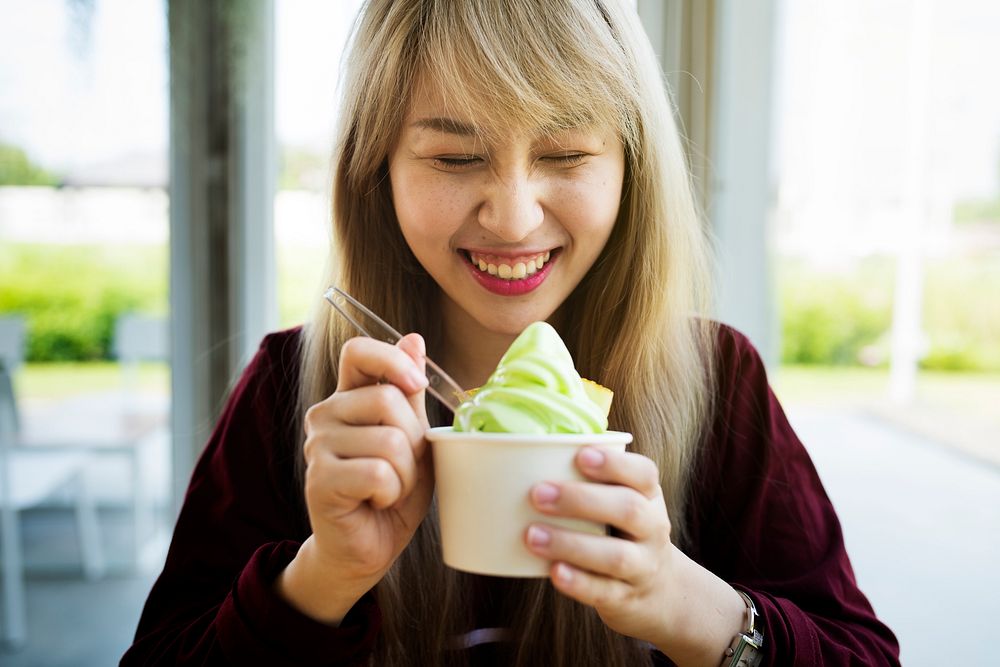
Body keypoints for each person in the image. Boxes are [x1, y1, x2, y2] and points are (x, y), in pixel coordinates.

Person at [123, 1, 900, 665]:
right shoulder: (295, 390)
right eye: (455, 155)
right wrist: (323, 574)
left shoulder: (716, 380)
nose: (515, 215)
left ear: (631, 165)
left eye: (565, 153)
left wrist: (682, 600)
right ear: (377, 169)